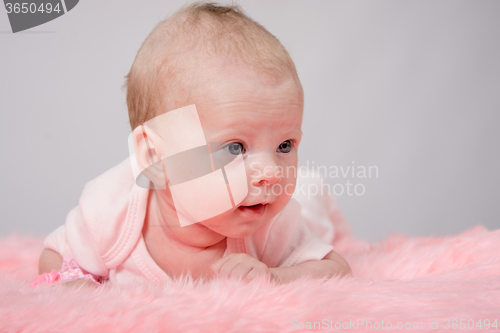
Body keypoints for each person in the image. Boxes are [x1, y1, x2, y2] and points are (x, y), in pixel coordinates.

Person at [35, 1, 351, 288]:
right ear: (155, 156)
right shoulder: (112, 211)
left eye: (285, 145)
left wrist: (276, 277)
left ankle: (312, 189)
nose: (270, 173)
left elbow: (337, 270)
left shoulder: (270, 223)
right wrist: (72, 284)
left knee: (309, 202)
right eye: (235, 147)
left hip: (308, 208)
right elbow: (56, 253)